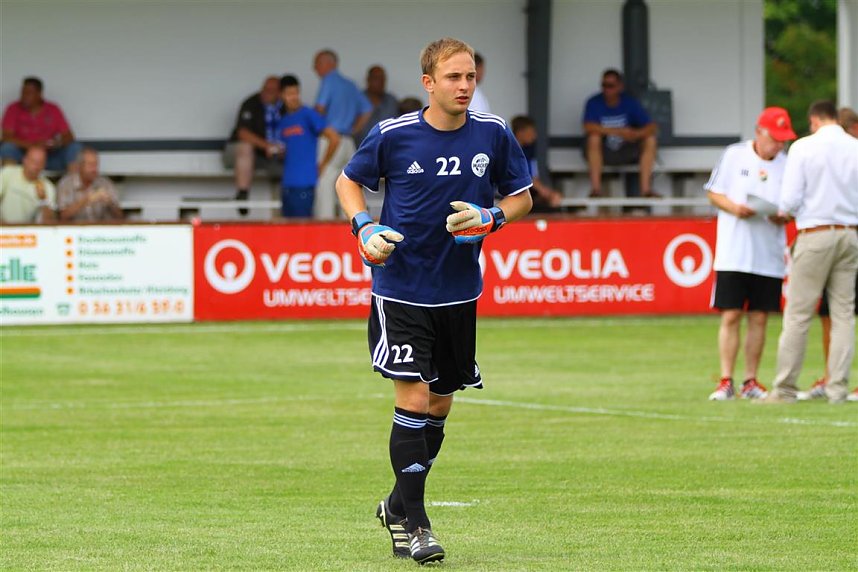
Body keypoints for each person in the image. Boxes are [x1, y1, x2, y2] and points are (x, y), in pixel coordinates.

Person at [335, 37, 532, 564]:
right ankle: (417, 525)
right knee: (415, 400)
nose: (464, 86)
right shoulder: (393, 135)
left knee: (441, 404)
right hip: (400, 290)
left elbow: (522, 195)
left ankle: (397, 504)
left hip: (459, 293)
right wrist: (364, 228)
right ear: (429, 82)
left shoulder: (494, 133)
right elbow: (348, 181)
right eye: (453, 77)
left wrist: (493, 218)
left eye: (470, 77)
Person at [762, 100, 858, 404]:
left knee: (798, 314)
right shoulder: (855, 146)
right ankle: (837, 389)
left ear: (815, 120)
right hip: (850, 233)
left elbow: (789, 199)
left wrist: (780, 212)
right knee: (843, 314)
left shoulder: (804, 147)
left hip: (815, 233)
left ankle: (785, 388)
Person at [704, 107, 797, 401]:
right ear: (760, 132)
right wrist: (735, 208)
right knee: (731, 314)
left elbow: (793, 205)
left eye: (783, 140)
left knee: (759, 317)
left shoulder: (788, 164)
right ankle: (726, 380)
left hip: (768, 253)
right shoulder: (734, 155)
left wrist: (784, 216)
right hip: (734, 250)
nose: (779, 145)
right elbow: (713, 192)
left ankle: (751, 380)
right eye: (775, 138)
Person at [797, 105, 858, 402]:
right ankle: (833, 379)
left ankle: (839, 381)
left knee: (825, 314)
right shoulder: (849, 150)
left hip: (824, 236)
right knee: (835, 315)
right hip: (849, 237)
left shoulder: (812, 149)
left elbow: (792, 197)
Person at [313, 49, 372, 219]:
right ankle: (354, 222)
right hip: (348, 141)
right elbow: (367, 110)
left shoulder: (328, 81)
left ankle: (325, 226)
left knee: (325, 180)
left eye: (317, 64)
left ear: (328, 64)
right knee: (349, 182)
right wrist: (354, 128)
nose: (314, 68)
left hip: (331, 139)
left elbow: (320, 109)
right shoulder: (350, 85)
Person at [582, 69, 658, 198]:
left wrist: (635, 134)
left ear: (620, 87)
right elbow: (588, 126)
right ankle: (595, 190)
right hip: (603, 151)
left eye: (610, 86)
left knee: (650, 140)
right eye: (604, 85)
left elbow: (652, 127)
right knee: (593, 138)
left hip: (626, 149)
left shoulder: (629, 103)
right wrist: (619, 131)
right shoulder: (594, 102)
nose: (607, 89)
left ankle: (646, 190)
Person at [274, 75, 340, 218]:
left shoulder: (308, 114)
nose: (294, 97)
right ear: (281, 96)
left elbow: (334, 138)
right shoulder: (283, 121)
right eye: (289, 94)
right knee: (287, 231)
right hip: (287, 183)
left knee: (302, 230)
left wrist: (323, 164)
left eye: (296, 93)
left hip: (305, 182)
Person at [223, 76, 284, 215]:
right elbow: (243, 133)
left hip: (275, 156)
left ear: (279, 93)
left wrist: (280, 148)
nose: (265, 93)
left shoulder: (285, 107)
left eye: (271, 91)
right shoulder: (251, 103)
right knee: (245, 147)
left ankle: (285, 212)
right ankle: (243, 195)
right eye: (264, 89)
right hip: (245, 153)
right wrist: (266, 146)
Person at [1, 77, 81, 173]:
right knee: (7, 148)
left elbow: (69, 136)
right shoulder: (13, 108)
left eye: (29, 93)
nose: (24, 96)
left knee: (75, 147)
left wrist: (55, 143)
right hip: (24, 157)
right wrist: (32, 145)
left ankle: (74, 186)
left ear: (39, 94)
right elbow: (6, 137)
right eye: (23, 92)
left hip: (49, 157)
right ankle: (9, 185)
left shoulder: (53, 109)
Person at [57, 147, 124, 222]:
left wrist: (110, 203)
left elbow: (120, 217)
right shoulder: (66, 184)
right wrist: (85, 200)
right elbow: (62, 216)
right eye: (90, 165)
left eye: (96, 165)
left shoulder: (105, 183)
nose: (94, 169)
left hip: (100, 230)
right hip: (74, 231)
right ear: (80, 166)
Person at [511, 115, 563, 211]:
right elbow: (524, 178)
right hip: (509, 196)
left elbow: (533, 177)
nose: (534, 136)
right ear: (520, 132)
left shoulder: (529, 150)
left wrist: (543, 194)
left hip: (527, 193)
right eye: (531, 132)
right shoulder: (510, 150)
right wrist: (548, 193)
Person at [0, 146, 57, 224]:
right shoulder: (8, 174)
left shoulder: (47, 187)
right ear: (24, 160)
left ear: (44, 165)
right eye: (33, 162)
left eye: (40, 163)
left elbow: (49, 222)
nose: (37, 166)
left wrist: (43, 200)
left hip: (29, 232)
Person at [354, 65, 399, 145]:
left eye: (382, 79)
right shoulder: (357, 99)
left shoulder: (391, 101)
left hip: (387, 150)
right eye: (376, 79)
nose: (380, 82)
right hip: (361, 149)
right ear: (368, 80)